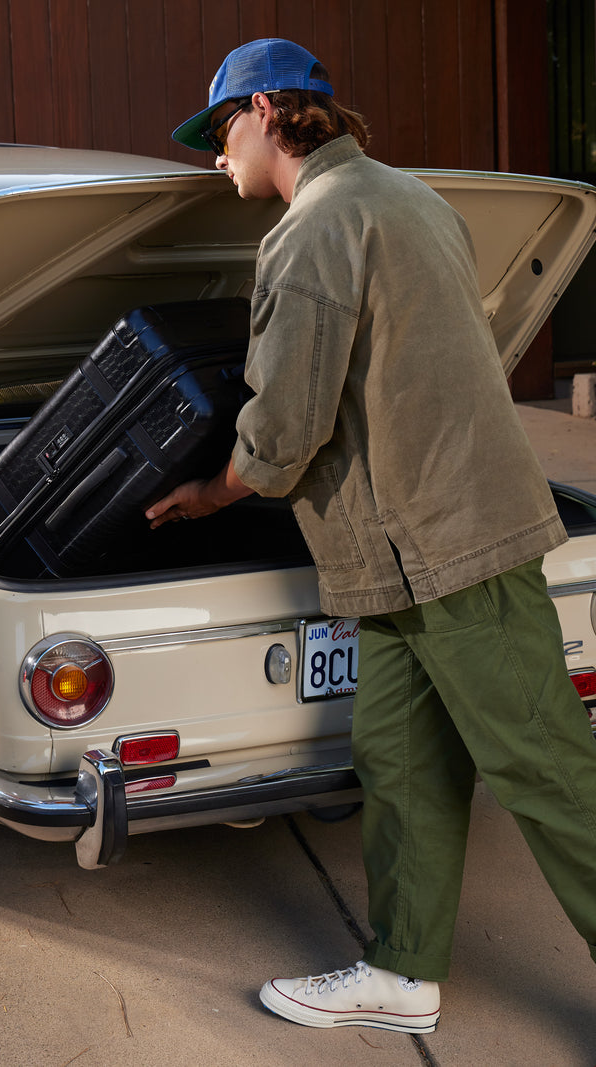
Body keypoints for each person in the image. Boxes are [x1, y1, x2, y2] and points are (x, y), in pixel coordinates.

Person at [145, 37, 596, 1033]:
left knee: (547, 772)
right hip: (392, 555)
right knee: (399, 763)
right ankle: (400, 969)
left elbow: (281, 433)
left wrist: (211, 491)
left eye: (219, 131)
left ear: (268, 111)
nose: (215, 157)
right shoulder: (408, 197)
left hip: (447, 543)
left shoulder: (311, 233)